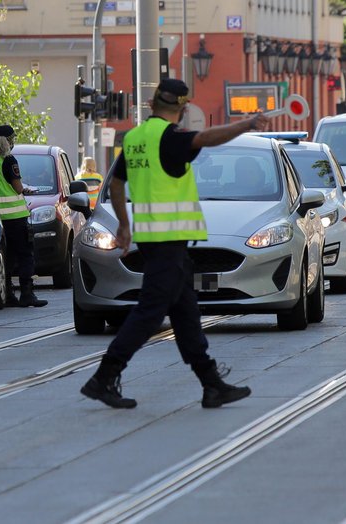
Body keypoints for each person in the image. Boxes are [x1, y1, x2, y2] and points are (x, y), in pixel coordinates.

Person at [80, 78, 270, 409]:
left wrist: (125, 226)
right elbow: (207, 138)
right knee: (149, 313)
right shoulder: (169, 140)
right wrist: (248, 123)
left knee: (186, 315)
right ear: (182, 110)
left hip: (155, 241)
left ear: (152, 104)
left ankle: (212, 384)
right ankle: (104, 377)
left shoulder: (136, 138)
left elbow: (117, 183)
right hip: (168, 243)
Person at [0, 125, 47, 308]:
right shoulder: (9, 160)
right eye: (13, 139)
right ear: (9, 141)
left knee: (8, 256)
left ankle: (8, 293)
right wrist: (25, 189)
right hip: (16, 217)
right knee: (26, 254)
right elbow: (17, 188)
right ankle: (27, 293)